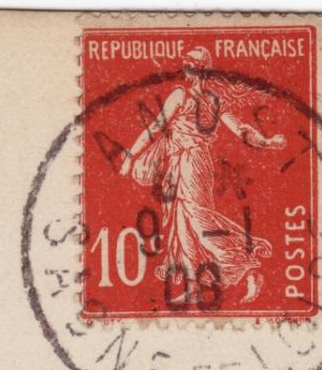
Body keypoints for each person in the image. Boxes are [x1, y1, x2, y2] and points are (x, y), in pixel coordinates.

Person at [115, 47, 288, 304]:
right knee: (181, 222)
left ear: (201, 68)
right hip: (180, 164)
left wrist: (266, 141)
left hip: (192, 162)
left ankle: (248, 267)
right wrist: (131, 155)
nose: (189, 68)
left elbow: (238, 129)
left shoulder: (195, 97)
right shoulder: (194, 97)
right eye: (187, 63)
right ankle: (195, 284)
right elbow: (157, 127)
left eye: (192, 63)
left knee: (198, 218)